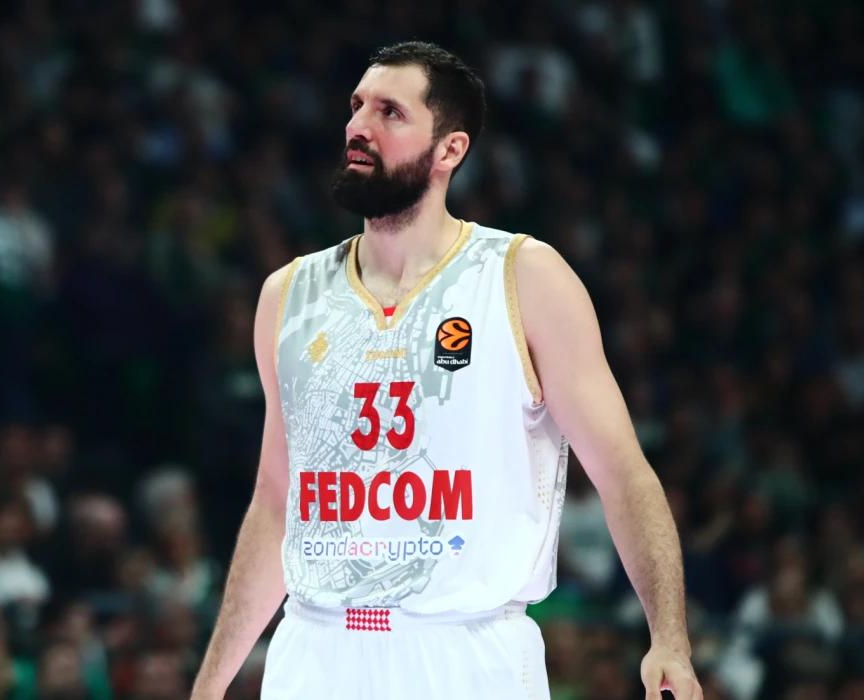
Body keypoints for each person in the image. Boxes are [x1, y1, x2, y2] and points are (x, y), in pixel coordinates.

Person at [191, 41, 701, 700]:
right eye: (356, 106)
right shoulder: (287, 295)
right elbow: (275, 501)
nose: (358, 125)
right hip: (314, 651)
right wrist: (210, 685)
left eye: (390, 112)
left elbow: (624, 473)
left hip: (468, 653)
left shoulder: (523, 277)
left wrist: (669, 637)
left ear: (450, 149)